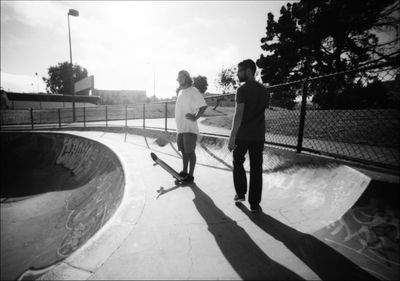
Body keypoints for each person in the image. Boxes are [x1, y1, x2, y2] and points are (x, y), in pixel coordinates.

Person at [228, 59, 270, 213]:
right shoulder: (264, 90)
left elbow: (239, 114)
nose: (237, 74)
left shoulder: (242, 90)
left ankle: (240, 194)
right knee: (256, 169)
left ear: (248, 71)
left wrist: (232, 136)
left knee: (238, 162)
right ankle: (254, 203)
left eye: (240, 71)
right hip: (258, 136)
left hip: (243, 135)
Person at [175, 70, 208, 183]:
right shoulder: (180, 92)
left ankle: (191, 175)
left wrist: (195, 117)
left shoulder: (193, 91)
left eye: (181, 77)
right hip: (180, 129)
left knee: (190, 152)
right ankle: (184, 171)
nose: (179, 79)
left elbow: (203, 106)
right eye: (178, 77)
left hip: (189, 128)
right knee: (184, 152)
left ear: (187, 77)